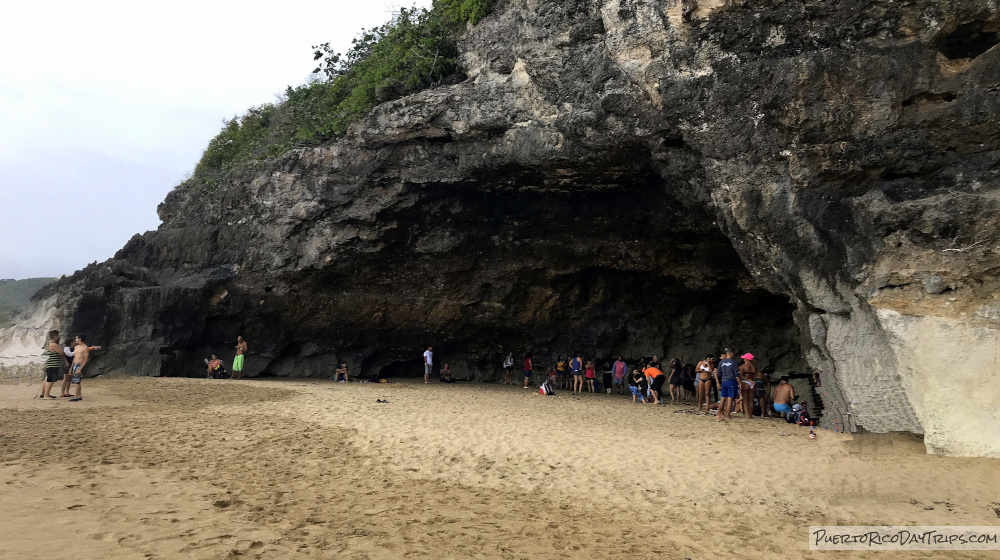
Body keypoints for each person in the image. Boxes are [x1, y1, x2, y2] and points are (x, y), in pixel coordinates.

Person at [40, 330, 67, 399]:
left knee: (47, 379)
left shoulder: (50, 343)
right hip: (53, 365)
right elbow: (62, 353)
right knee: (50, 380)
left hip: (49, 364)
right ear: (55, 336)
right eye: (58, 335)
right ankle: (46, 395)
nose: (59, 337)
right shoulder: (53, 345)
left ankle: (43, 394)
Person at [714, 349, 739, 419]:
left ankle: (718, 414)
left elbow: (718, 373)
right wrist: (739, 383)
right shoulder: (733, 362)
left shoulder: (721, 362)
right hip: (731, 380)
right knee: (730, 398)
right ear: (731, 354)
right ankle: (727, 415)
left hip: (724, 381)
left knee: (723, 398)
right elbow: (736, 374)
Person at [68, 334, 90, 402]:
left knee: (77, 381)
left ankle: (75, 396)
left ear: (80, 339)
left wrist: (80, 368)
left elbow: (86, 359)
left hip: (80, 364)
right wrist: (71, 368)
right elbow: (74, 358)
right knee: (77, 381)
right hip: (75, 364)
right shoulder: (76, 347)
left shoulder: (85, 347)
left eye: (76, 338)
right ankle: (79, 395)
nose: (75, 339)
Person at [738, 353, 758, 418]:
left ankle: (747, 415)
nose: (743, 359)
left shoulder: (743, 366)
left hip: (745, 382)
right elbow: (755, 378)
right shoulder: (754, 367)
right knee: (751, 400)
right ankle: (750, 415)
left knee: (745, 400)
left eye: (744, 358)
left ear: (747, 359)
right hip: (752, 383)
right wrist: (751, 381)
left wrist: (747, 380)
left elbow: (741, 375)